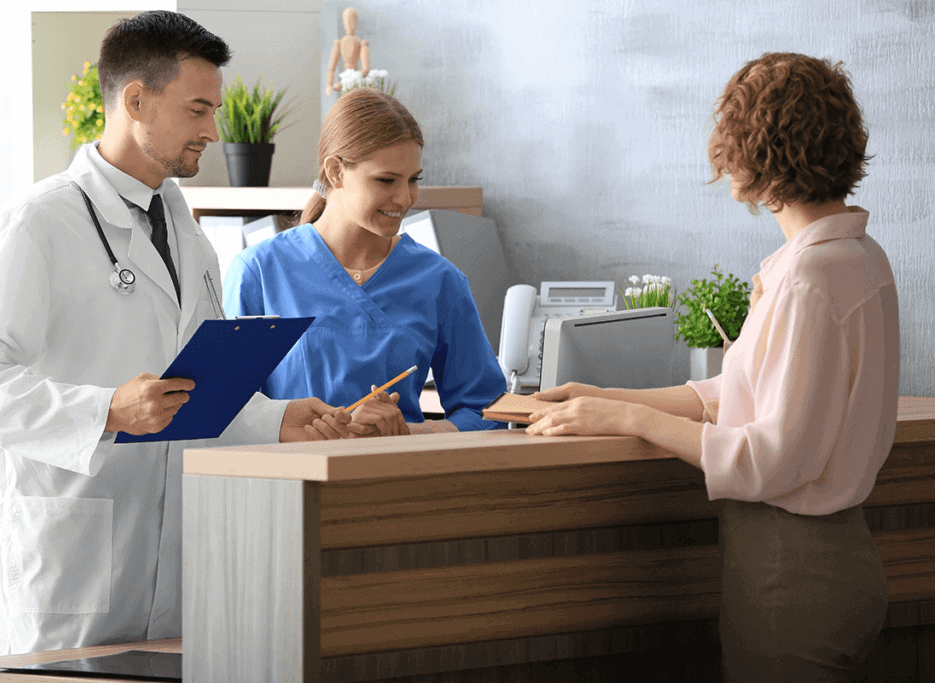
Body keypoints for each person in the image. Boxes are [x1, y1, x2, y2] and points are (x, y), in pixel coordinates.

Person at [0, 10, 399, 658]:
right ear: (135, 100)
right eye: (198, 109)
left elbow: (190, 393)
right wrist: (104, 410)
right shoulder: (35, 225)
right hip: (68, 563)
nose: (213, 129)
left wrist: (281, 418)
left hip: (169, 568)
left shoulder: (188, 235)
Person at [525, 53, 898, 681]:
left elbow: (771, 458)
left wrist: (628, 418)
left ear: (760, 150)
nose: (719, 156)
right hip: (837, 565)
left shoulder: (809, 278)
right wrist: (606, 395)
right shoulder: (858, 257)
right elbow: (743, 393)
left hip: (791, 574)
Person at [223, 88, 506, 435]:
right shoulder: (258, 273)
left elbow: (489, 412)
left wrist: (405, 434)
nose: (405, 198)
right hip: (287, 484)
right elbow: (227, 413)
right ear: (335, 172)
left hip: (396, 481)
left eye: (413, 180)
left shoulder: (439, 280)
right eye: (386, 180)